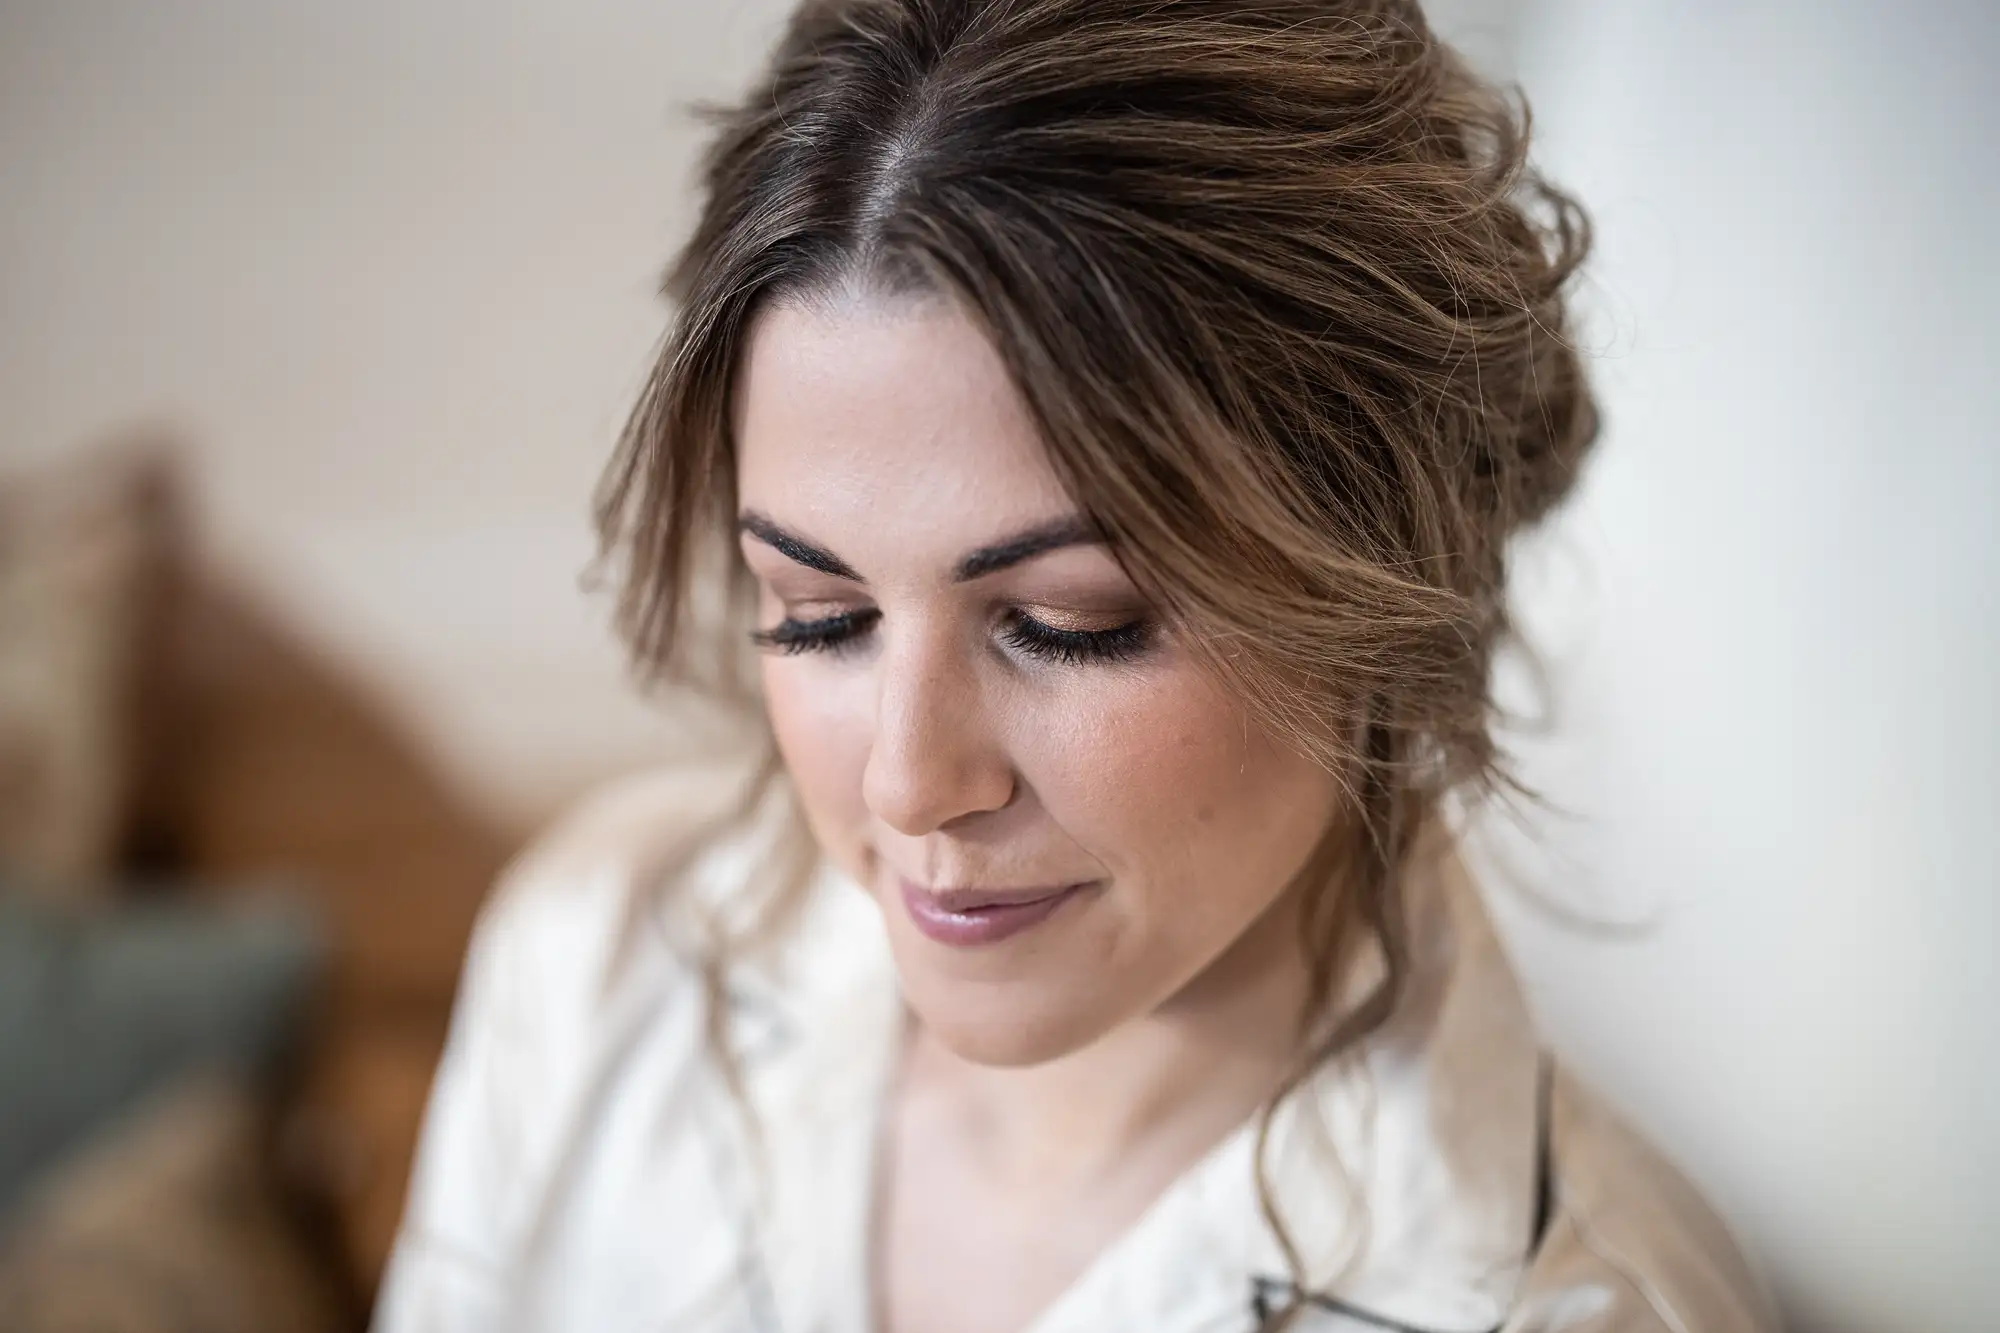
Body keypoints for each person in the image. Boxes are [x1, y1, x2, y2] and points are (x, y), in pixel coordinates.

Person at [375, 2, 1778, 1330]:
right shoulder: (605, 960)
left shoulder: (1568, 1304)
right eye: (817, 611)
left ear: (1388, 570)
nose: (912, 783)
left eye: (1069, 621)